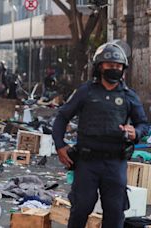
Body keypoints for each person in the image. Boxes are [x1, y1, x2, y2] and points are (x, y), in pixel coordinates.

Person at [52, 41, 148, 228]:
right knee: (81, 207)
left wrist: (135, 132)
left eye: (118, 66)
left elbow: (143, 124)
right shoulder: (85, 92)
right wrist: (59, 145)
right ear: (99, 67)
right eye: (110, 65)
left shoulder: (129, 96)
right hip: (87, 162)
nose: (114, 69)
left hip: (115, 163)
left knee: (114, 211)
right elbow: (62, 117)